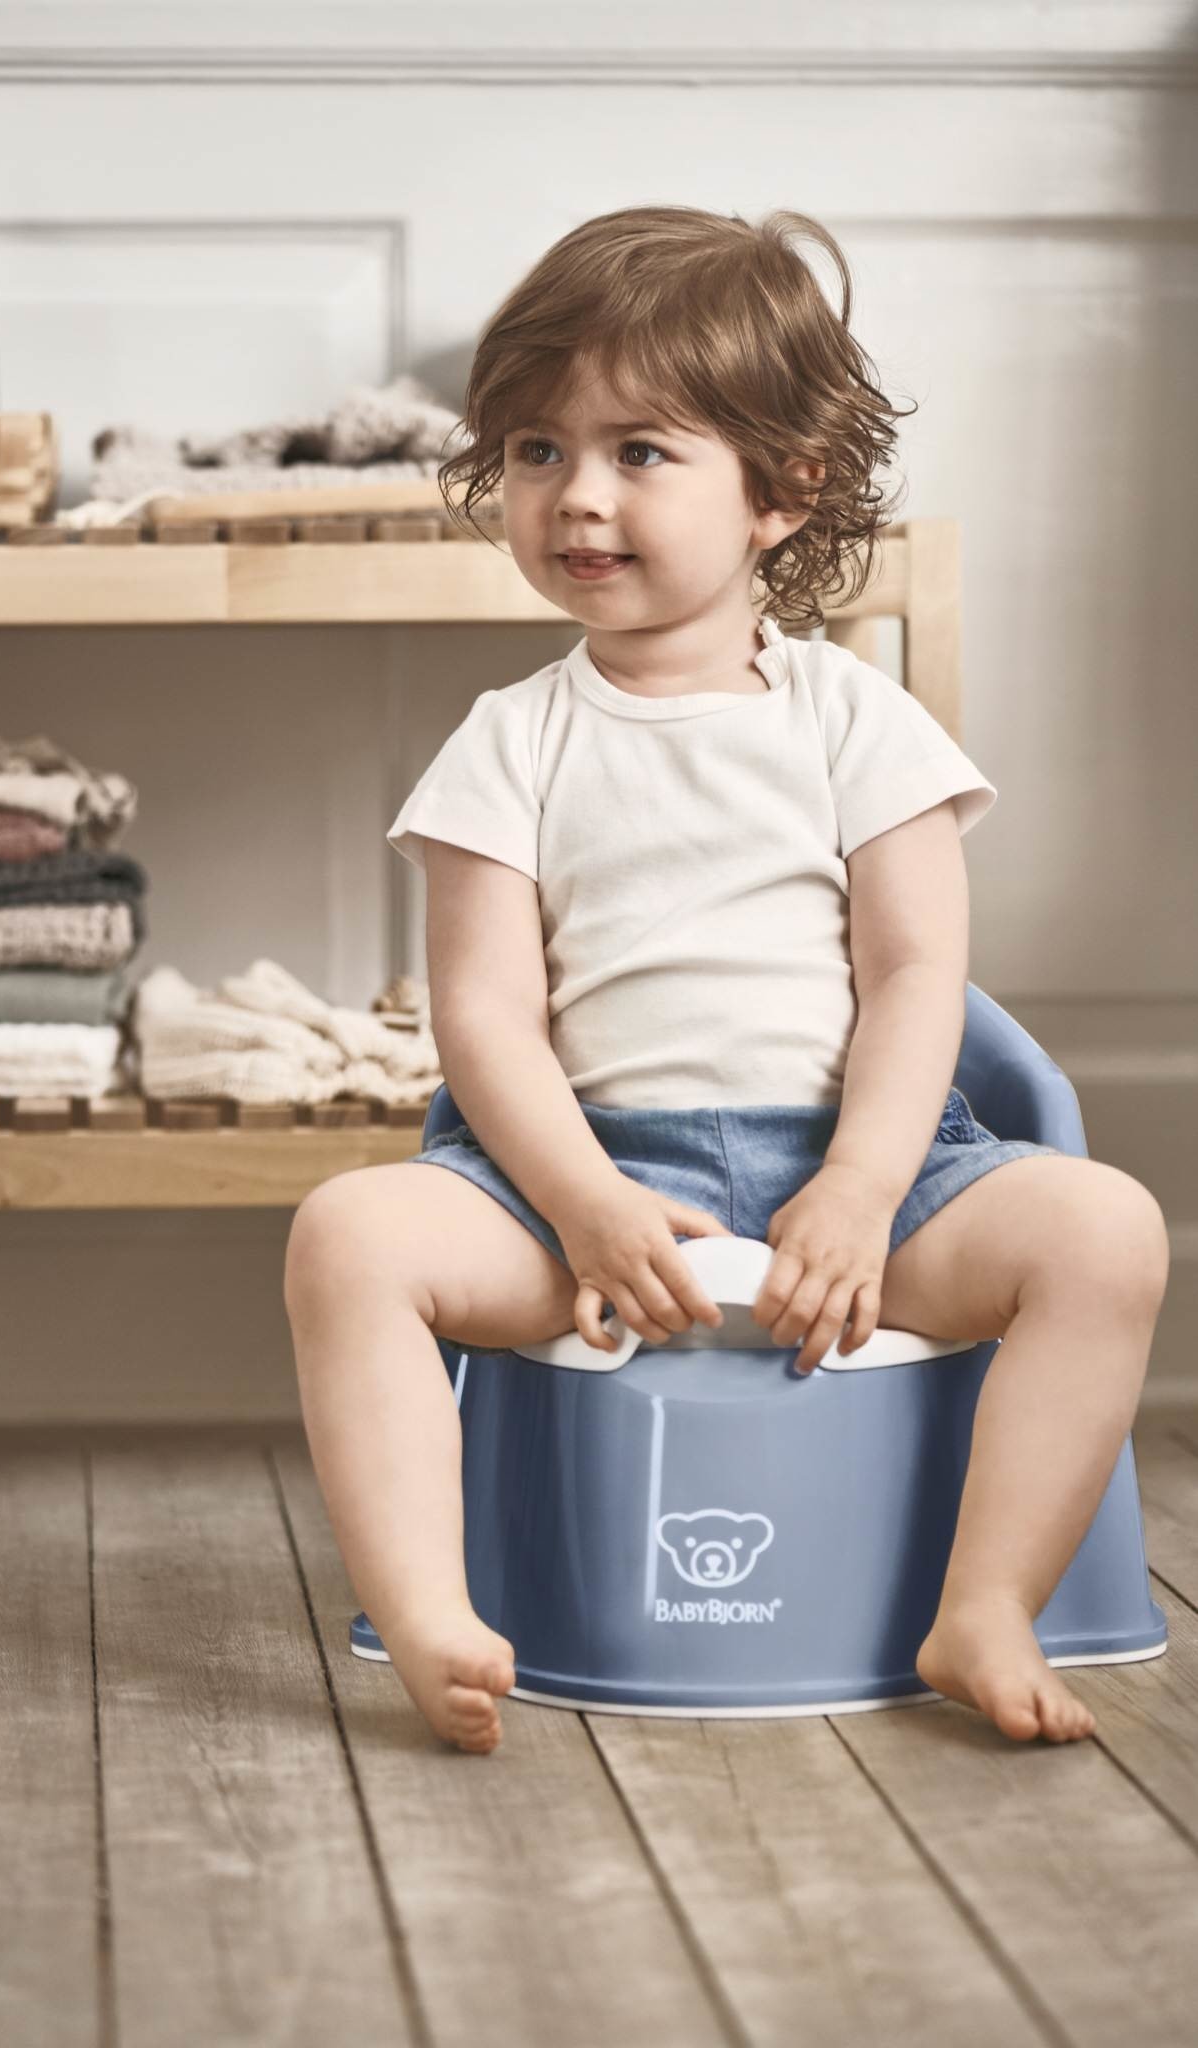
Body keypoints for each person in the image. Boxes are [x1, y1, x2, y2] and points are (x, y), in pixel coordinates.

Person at [283, 205, 1170, 1755]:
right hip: (586, 1181)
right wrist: (581, 1202)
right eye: (538, 451)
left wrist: (859, 1187)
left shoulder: (854, 720)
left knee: (1105, 1233)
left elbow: (915, 978)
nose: (576, 494)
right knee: (345, 1238)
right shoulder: (509, 741)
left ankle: (983, 1603)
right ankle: (426, 1608)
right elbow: (484, 1016)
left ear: (783, 491)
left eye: (638, 451)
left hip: (872, 1174)